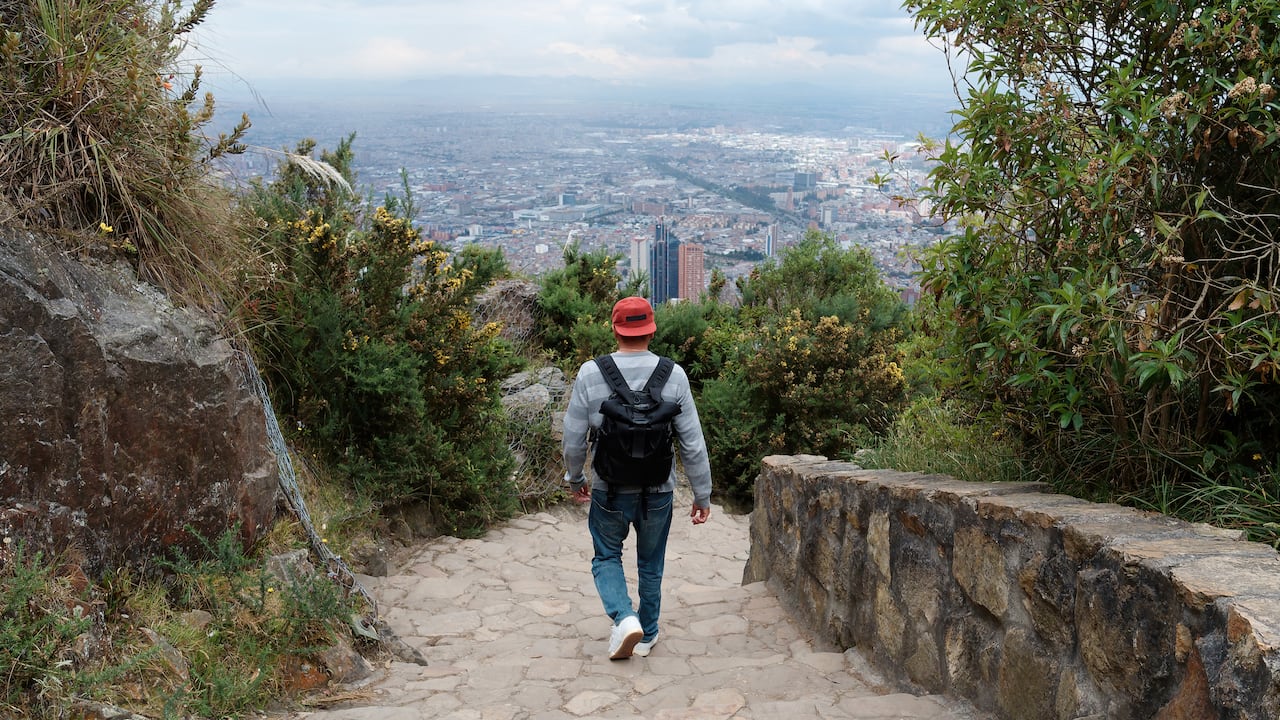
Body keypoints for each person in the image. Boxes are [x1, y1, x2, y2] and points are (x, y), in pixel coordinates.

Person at [562, 296, 713, 660]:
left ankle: (624, 617)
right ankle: (647, 633)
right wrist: (702, 494)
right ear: (652, 328)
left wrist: (575, 476)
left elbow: (573, 434)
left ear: (615, 328)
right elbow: (692, 442)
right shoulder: (673, 375)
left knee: (606, 557)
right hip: (657, 489)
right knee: (651, 562)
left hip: (608, 488)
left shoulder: (590, 373)